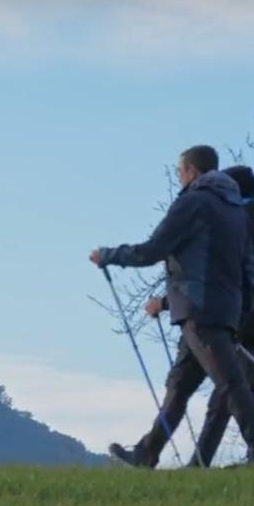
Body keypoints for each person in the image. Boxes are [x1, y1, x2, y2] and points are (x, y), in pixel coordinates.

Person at [93, 147, 254, 468]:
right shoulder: (235, 213)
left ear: (192, 171)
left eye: (180, 172)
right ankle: (146, 453)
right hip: (221, 310)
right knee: (180, 386)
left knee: (230, 384)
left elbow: (153, 250)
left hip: (199, 309)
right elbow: (242, 267)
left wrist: (110, 255)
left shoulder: (195, 202)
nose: (180, 178)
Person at [185, 164, 254, 467]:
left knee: (233, 387)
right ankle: (199, 462)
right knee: (227, 390)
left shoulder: (243, 222)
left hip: (243, 317)